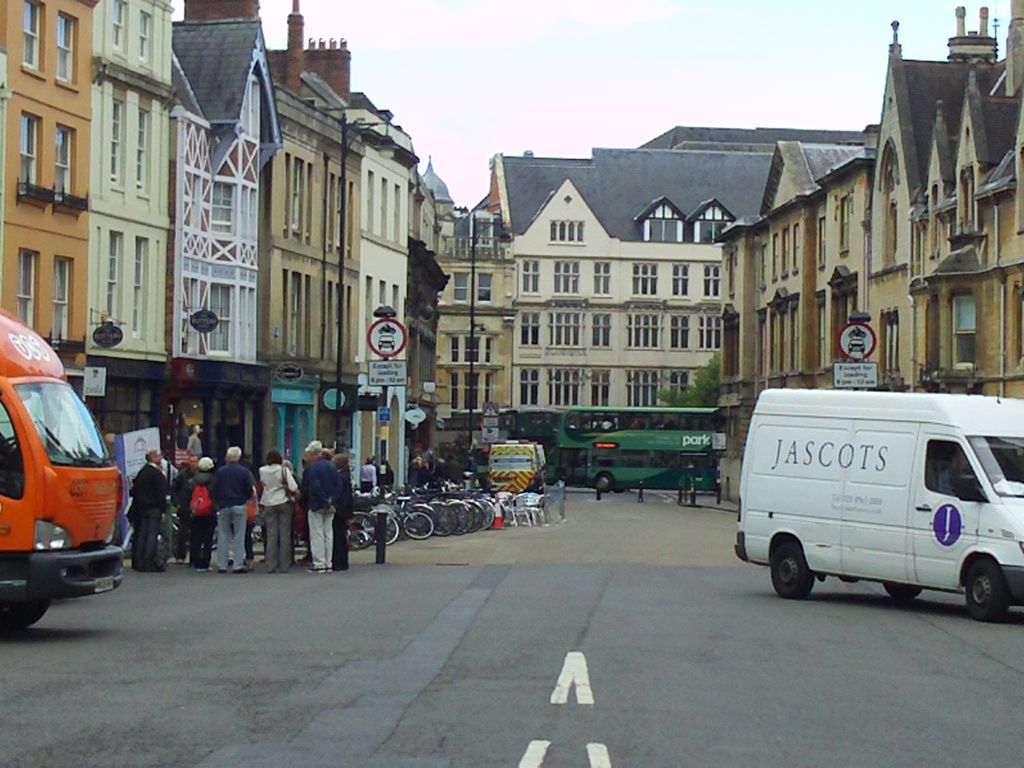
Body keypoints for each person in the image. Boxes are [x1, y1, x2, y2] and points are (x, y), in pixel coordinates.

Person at [214, 446, 254, 574]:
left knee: (223, 535)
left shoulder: (220, 471)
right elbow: (249, 489)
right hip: (239, 504)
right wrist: (245, 498)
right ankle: (237, 564)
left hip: (224, 504)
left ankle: (222, 564)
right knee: (239, 535)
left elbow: (216, 488)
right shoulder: (244, 472)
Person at [259, 450, 298, 574]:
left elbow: (262, 485)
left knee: (271, 535)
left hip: (268, 502)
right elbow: (293, 487)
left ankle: (271, 564)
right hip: (283, 502)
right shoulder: (283, 470)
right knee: (284, 534)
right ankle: (284, 564)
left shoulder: (262, 470)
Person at [304, 445, 342, 572]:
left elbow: (314, 486)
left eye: (308, 454)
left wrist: (324, 501)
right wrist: (332, 501)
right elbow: (338, 486)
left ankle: (319, 563)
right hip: (331, 504)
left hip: (317, 504)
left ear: (314, 454)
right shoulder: (332, 466)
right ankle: (328, 562)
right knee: (328, 533)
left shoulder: (313, 468)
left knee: (317, 534)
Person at [129, 449, 168, 572]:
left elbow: (134, 490)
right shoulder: (156, 474)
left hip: (141, 508)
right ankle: (149, 561)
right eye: (159, 455)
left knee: (141, 534)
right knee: (152, 534)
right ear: (152, 457)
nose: (161, 458)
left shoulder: (142, 472)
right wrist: (162, 510)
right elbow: (161, 494)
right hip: (153, 508)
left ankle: (139, 561)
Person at [189, 457, 217, 571]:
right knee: (207, 538)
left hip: (196, 511)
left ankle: (196, 561)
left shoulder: (193, 480)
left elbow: (186, 495)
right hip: (209, 511)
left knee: (196, 537)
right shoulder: (214, 480)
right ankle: (205, 562)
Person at [170, 455, 198, 563]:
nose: (193, 464)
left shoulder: (201, 475)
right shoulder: (182, 475)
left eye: (195, 461)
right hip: (184, 507)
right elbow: (174, 489)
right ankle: (180, 556)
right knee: (183, 533)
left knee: (196, 533)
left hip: (197, 507)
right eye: (191, 462)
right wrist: (177, 503)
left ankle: (194, 557)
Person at [332, 454, 354, 571]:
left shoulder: (340, 476)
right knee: (341, 536)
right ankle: (342, 562)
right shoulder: (346, 475)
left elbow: (341, 494)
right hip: (344, 509)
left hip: (340, 510)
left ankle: (339, 561)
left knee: (338, 536)